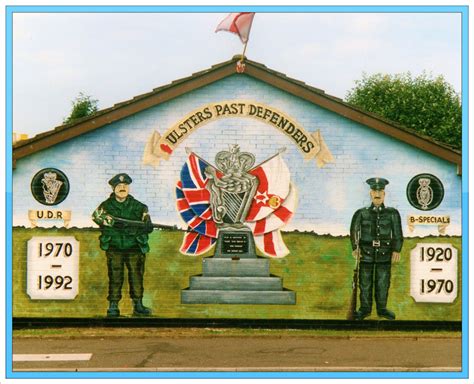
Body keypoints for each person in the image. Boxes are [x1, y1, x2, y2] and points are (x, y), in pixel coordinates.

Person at [92, 173, 153, 317]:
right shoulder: (106, 206)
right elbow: (96, 216)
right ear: (113, 188)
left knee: (136, 276)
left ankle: (138, 305)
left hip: (134, 247)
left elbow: (147, 225)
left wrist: (147, 224)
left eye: (125, 186)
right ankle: (113, 305)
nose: (122, 188)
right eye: (119, 186)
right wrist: (110, 222)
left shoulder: (139, 206)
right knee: (115, 276)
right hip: (114, 246)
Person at [350, 177, 403, 320]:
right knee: (365, 283)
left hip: (384, 253)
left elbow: (397, 233)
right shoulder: (362, 213)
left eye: (380, 191)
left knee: (383, 282)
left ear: (384, 194)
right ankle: (365, 310)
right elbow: (354, 230)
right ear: (370, 193)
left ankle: (382, 309)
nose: (377, 194)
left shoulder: (392, 213)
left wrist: (396, 249)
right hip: (366, 253)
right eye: (374, 191)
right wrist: (355, 247)